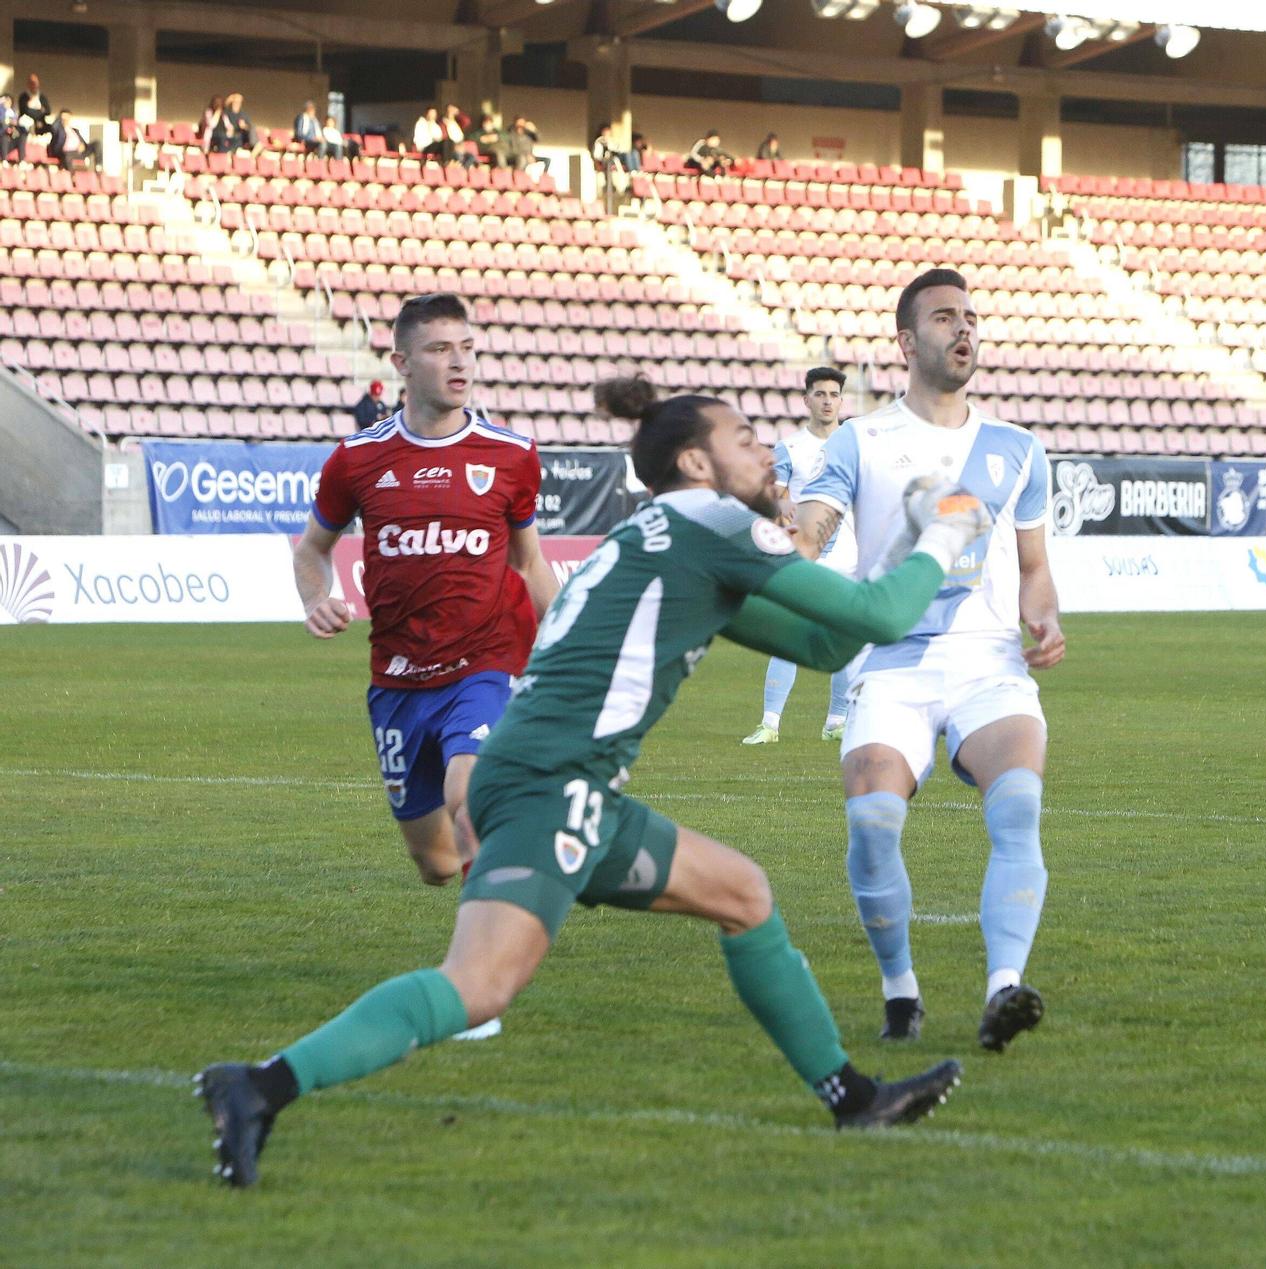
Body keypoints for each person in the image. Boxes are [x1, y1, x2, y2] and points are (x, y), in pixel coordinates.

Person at [195, 378, 995, 1187]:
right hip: (552, 782)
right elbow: (883, 619)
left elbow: (826, 644)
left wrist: (909, 544)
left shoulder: (667, 532)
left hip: (567, 783)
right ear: (694, 460)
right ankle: (258, 1084)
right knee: (477, 986)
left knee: (743, 895)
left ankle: (852, 1096)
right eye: (745, 436)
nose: (765, 449)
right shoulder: (716, 521)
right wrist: (946, 531)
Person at [794, 268, 1065, 1051]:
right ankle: (900, 991)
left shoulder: (1018, 450)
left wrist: (1041, 618)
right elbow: (812, 527)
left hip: (988, 663)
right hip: (891, 664)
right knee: (874, 823)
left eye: (971, 316)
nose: (964, 328)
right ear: (907, 342)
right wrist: (797, 541)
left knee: (1018, 808)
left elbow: (1036, 567)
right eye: (945, 317)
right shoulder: (862, 438)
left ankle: (1003, 989)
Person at [293, 292, 559, 909]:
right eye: (440, 350)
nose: (459, 363)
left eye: (467, 349)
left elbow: (528, 561)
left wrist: (572, 638)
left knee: (471, 794)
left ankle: (484, 969)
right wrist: (317, 597)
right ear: (402, 363)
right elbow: (312, 548)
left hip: (487, 663)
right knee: (436, 863)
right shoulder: (357, 459)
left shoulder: (511, 455)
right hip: (398, 678)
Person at [742, 367, 859, 746]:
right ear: (806, 399)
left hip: (848, 557)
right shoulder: (789, 448)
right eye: (820, 394)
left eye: (833, 394)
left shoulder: (857, 445)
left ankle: (836, 721)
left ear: (842, 400)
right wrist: (782, 500)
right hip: (802, 556)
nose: (827, 401)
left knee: (844, 638)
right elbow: (774, 493)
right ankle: (770, 723)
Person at [15, 74, 52, 142]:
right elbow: (25, 110)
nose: (34, 85)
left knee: (52, 129)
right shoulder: (23, 97)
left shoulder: (42, 97)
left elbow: (48, 111)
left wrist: (38, 112)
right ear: (28, 85)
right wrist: (40, 110)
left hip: (41, 123)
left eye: (36, 83)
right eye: (32, 83)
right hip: (27, 124)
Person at [0, 95, 22, 164]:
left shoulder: (13, 112)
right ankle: (4, 160)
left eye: (9, 101)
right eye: (6, 101)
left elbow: (16, 123)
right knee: (5, 136)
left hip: (12, 137)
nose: (7, 102)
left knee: (22, 137)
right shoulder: (1, 111)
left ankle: (22, 161)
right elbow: (2, 120)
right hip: (2, 136)